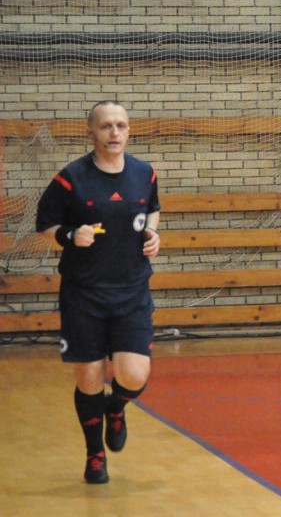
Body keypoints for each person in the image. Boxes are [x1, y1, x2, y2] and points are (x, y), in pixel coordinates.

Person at [35, 101, 161, 484]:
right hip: (84, 294)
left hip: (131, 290)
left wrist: (154, 234)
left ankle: (117, 407)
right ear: (91, 131)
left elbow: (152, 209)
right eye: (106, 126)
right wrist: (71, 236)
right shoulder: (71, 177)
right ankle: (94, 455)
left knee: (136, 375)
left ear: (129, 130)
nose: (114, 133)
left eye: (121, 125)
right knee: (88, 377)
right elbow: (45, 225)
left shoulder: (144, 173)